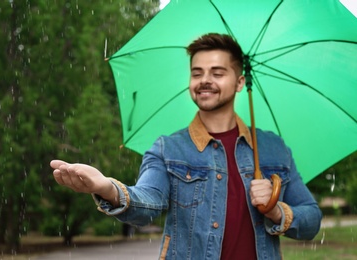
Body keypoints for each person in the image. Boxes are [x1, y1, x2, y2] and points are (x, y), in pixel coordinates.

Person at [50, 33, 322, 260]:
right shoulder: (168, 149)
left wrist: (275, 210)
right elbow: (149, 203)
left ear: (240, 82)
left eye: (217, 73)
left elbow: (311, 220)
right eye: (197, 73)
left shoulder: (273, 148)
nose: (205, 80)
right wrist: (106, 188)